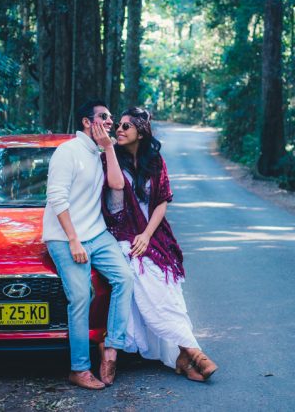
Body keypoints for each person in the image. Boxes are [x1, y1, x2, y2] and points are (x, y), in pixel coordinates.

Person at [98, 106, 218, 382]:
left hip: (153, 234)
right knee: (146, 279)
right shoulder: (110, 158)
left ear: (141, 132)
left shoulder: (155, 160)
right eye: (119, 125)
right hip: (122, 235)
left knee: (166, 286)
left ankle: (186, 355)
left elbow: (162, 200)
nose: (119, 129)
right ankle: (192, 354)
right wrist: (135, 236)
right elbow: (113, 201)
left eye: (126, 126)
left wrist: (147, 234)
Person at [43, 99, 133, 390]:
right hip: (65, 237)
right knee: (81, 296)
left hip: (97, 234)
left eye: (111, 117)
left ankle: (110, 350)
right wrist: (73, 240)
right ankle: (79, 369)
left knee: (125, 278)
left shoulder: (101, 152)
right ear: (86, 122)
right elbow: (57, 197)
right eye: (104, 117)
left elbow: (118, 186)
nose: (111, 122)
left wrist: (108, 147)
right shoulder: (67, 152)